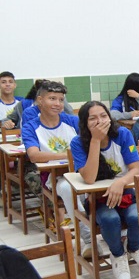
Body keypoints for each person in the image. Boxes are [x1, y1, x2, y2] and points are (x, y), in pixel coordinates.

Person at [70, 101, 139, 279]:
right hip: (98, 198)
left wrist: (120, 183)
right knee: (110, 219)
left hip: (126, 192)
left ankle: (133, 248)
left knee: (136, 216)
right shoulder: (78, 142)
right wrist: (95, 140)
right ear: (85, 123)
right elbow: (89, 178)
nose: (100, 121)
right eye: (93, 118)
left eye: (103, 116)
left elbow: (136, 169)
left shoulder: (123, 134)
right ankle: (117, 254)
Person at [21, 81, 93, 252]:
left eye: (61, 100)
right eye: (52, 98)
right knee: (68, 189)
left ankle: (115, 233)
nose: (58, 104)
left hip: (82, 173)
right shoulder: (31, 126)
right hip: (54, 178)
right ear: (40, 100)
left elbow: (90, 144)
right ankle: (89, 239)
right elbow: (34, 155)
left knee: (94, 191)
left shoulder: (72, 121)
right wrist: (69, 155)